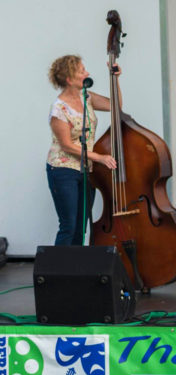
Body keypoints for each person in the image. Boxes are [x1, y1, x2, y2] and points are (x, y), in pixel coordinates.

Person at [47, 55, 118, 246]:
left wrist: (115, 78)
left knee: (81, 226)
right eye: (82, 71)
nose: (87, 73)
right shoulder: (59, 109)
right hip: (63, 170)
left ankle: (74, 272)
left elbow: (115, 105)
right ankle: (57, 273)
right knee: (68, 225)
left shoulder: (86, 96)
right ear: (70, 79)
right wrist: (100, 157)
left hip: (87, 169)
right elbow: (67, 146)